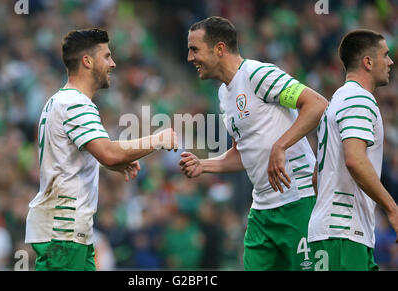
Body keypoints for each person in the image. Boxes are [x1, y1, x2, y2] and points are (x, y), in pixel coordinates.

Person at [179, 16, 328, 271]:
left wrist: (280, 146)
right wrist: (203, 165)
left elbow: (316, 104)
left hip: (298, 201)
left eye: (195, 50)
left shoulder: (258, 75)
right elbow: (243, 152)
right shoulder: (224, 94)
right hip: (261, 210)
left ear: (220, 49)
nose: (190, 58)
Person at [25, 28, 177, 271]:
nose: (113, 63)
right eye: (106, 56)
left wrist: (113, 163)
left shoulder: (59, 100)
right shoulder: (76, 103)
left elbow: (85, 155)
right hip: (63, 229)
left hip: (71, 229)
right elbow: (109, 151)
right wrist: (158, 139)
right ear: (87, 61)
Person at [308, 29, 398, 271]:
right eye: (385, 55)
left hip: (341, 232)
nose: (390, 61)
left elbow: (317, 175)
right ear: (368, 62)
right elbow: (355, 160)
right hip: (342, 234)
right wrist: (392, 208)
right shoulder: (359, 99)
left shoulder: (337, 100)